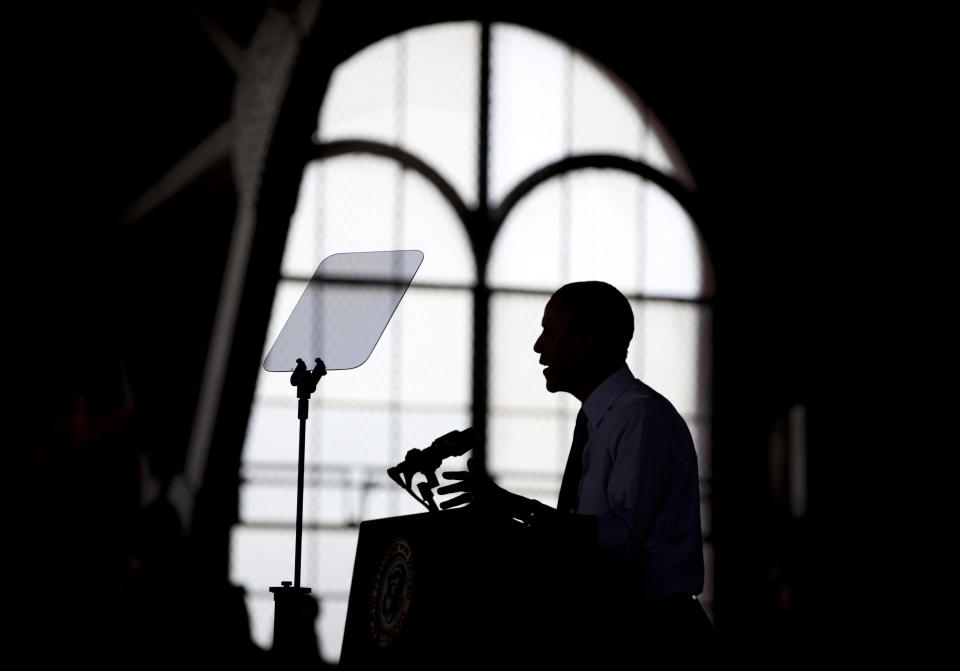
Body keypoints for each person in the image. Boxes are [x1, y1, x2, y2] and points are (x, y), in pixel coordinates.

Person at [439, 281, 711, 659]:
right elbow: (586, 542)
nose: (538, 347)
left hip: (655, 640)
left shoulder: (640, 418)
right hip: (619, 630)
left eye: (549, 331)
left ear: (585, 340)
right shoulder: (600, 421)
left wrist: (518, 510)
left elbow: (621, 540)